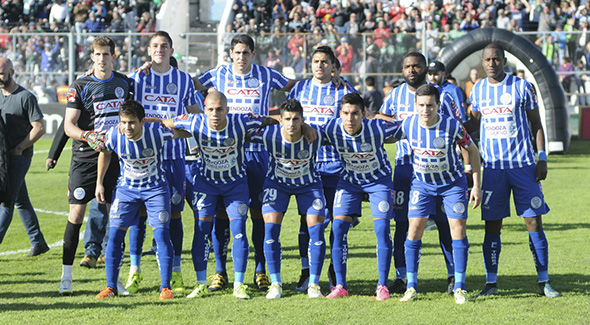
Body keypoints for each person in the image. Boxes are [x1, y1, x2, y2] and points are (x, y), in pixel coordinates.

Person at [153, 91, 281, 300]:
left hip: (236, 185)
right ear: (204, 110)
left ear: (227, 110)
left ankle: (239, 284)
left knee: (239, 230)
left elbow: (271, 120)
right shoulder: (193, 120)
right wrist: (137, 121)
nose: (215, 114)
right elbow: (164, 123)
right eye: (210, 109)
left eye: (219, 109)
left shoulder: (242, 121)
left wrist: (300, 125)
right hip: (206, 186)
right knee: (201, 230)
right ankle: (201, 283)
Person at [467, 43, 561, 299]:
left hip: (523, 167)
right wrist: (450, 127)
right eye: (487, 60)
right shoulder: (478, 90)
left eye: (496, 59)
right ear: (482, 61)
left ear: (504, 60)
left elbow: (536, 124)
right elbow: (473, 123)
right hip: (494, 169)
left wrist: (542, 158)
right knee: (492, 225)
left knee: (533, 222)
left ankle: (544, 281)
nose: (491, 64)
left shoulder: (522, 87)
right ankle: (491, 282)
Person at [379, 52, 462, 295]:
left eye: (416, 66)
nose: (411, 70)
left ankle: (452, 274)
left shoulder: (442, 95)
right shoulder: (393, 95)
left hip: (441, 170)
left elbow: (457, 128)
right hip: (406, 168)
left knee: (446, 223)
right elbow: (385, 123)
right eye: (407, 66)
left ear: (425, 68)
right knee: (403, 224)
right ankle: (403, 276)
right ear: (402, 69)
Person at [124, 30, 199, 295]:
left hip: (173, 156)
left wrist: (178, 127)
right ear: (148, 50)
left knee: (175, 213)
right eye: (155, 45)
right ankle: (134, 271)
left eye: (164, 46)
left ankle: (176, 272)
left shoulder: (183, 80)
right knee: (139, 214)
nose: (160, 50)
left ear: (171, 50)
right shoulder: (137, 78)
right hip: (142, 157)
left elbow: (195, 117)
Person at [394, 84, 481, 305]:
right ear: (415, 105)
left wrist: (477, 186)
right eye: (421, 105)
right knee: (413, 230)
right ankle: (411, 286)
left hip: (451, 185)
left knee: (457, 229)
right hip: (422, 186)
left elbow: (472, 150)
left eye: (430, 105)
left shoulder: (452, 126)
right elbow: (381, 135)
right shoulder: (408, 124)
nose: (425, 110)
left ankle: (460, 287)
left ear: (438, 105)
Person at [59, 36, 133, 295]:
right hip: (85, 160)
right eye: (97, 54)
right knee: (77, 215)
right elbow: (69, 125)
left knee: (118, 217)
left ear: (114, 55)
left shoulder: (125, 83)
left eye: (106, 54)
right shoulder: (80, 85)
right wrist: (86, 135)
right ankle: (66, 277)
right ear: (92, 56)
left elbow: (133, 116)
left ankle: (114, 280)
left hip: (117, 159)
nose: (102, 59)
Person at [94, 100, 187, 300]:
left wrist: (161, 121)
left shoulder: (156, 133)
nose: (127, 127)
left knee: (162, 235)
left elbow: (184, 131)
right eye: (124, 122)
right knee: (115, 236)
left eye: (132, 123)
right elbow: (104, 151)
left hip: (155, 189)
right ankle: (111, 287)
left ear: (142, 121)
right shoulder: (114, 135)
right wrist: (99, 183)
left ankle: (165, 287)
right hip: (126, 191)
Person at [286, 46, 357, 291]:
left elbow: (356, 117)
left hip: (338, 167)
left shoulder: (344, 89)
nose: (320, 66)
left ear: (334, 66)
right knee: (308, 223)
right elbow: (289, 118)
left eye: (325, 62)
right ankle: (307, 272)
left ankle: (335, 273)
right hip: (307, 167)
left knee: (339, 223)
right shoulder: (300, 88)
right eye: (316, 61)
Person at [322, 93, 399, 301]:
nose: (350, 119)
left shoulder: (376, 128)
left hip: (379, 181)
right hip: (349, 182)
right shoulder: (331, 128)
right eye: (346, 113)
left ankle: (382, 285)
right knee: (337, 229)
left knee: (382, 229)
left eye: (355, 113)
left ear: (364, 114)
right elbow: (307, 131)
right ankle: (340, 285)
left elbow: (407, 127)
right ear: (340, 114)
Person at [248, 99, 327, 299]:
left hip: (308, 185)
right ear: (280, 120)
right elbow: (243, 133)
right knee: (271, 229)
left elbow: (342, 133)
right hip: (277, 185)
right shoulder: (269, 135)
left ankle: (314, 284)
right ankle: (275, 284)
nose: (291, 124)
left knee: (316, 229)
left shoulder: (315, 135)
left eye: (296, 119)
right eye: (287, 119)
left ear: (302, 120)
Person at [0, 57, 50, 257]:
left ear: (12, 72)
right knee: (21, 200)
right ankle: (38, 242)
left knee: (6, 202)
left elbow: (39, 128)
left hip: (19, 156)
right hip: (3, 157)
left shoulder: (25, 97)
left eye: (2, 73)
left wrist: (20, 148)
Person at [46, 120, 109, 269]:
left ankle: (107, 250)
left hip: (112, 158)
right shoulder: (81, 98)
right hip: (84, 161)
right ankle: (92, 252)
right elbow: (67, 123)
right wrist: (53, 153)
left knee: (109, 207)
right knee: (96, 206)